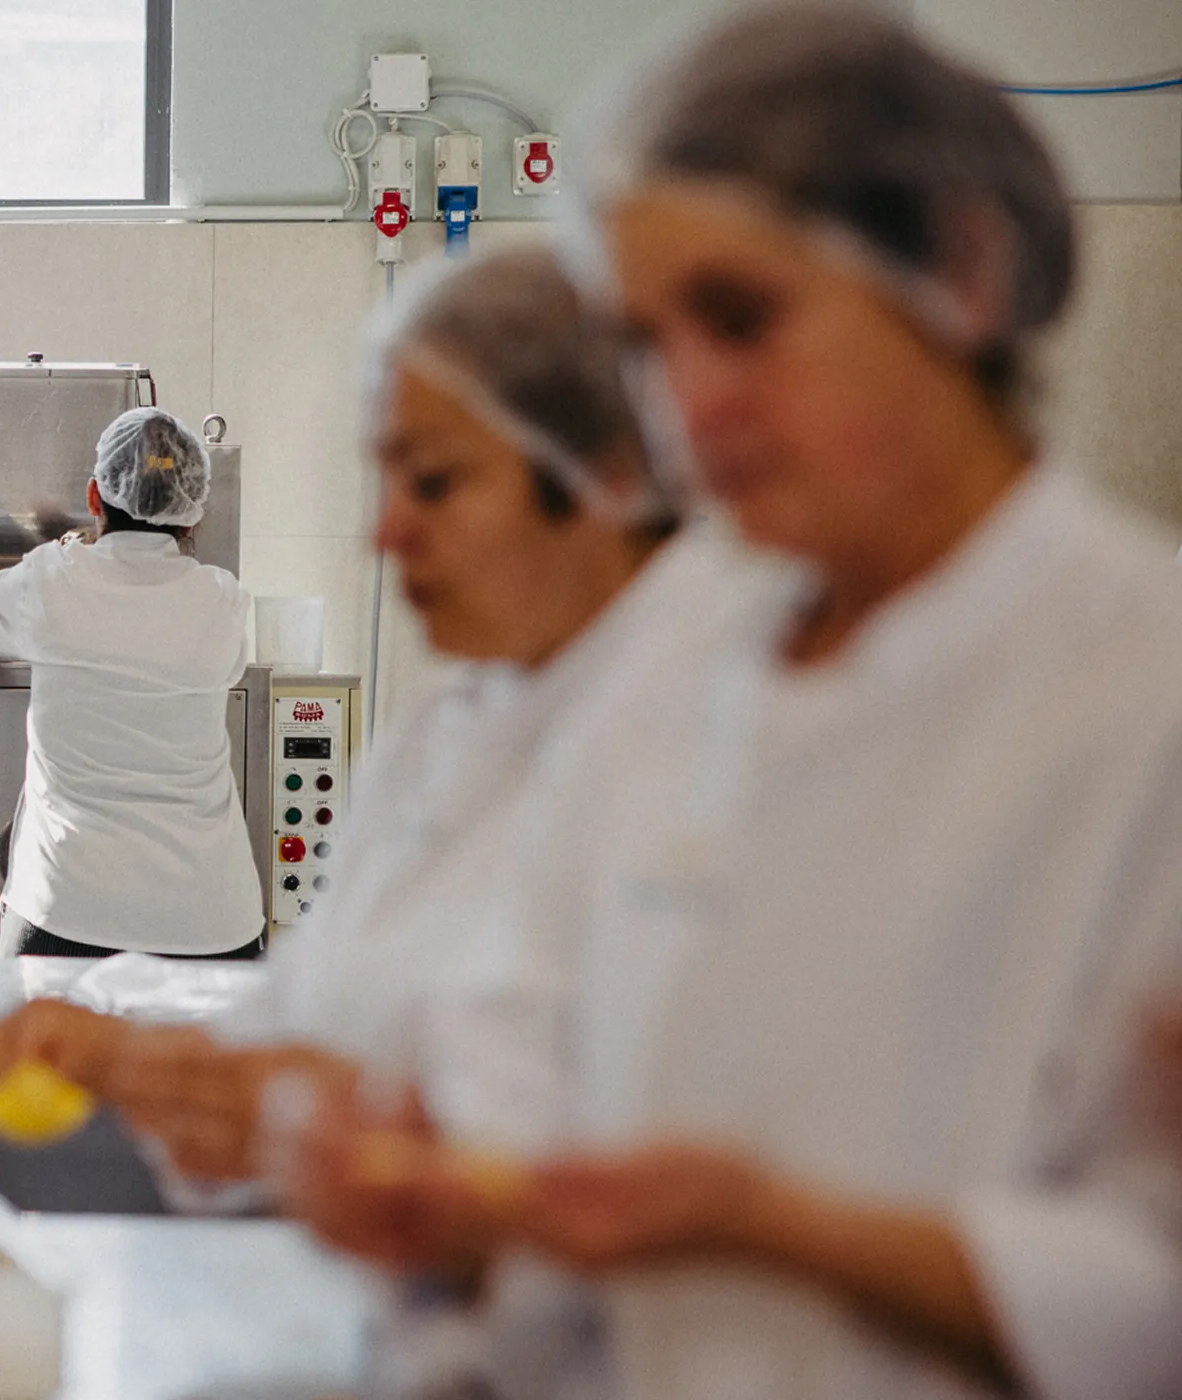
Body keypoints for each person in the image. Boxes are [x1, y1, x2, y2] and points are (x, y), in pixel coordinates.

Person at [282, 10, 1182, 1399]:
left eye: (743, 318)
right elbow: (525, 1079)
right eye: (647, 340)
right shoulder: (670, 669)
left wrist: (771, 1230)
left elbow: (1151, 1287)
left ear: (962, 269)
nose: (687, 402)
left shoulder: (1138, 688)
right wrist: (451, 1216)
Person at [0, 241, 707, 1174]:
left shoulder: (717, 761)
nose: (384, 532)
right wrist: (149, 1065)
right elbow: (326, 1061)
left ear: (602, 483)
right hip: (213, 925)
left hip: (75, 902)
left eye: (432, 479)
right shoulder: (430, 746)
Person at [0, 407, 262, 958]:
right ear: (192, 516)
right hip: (210, 924)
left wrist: (61, 550)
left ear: (95, 497)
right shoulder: (225, 602)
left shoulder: (51, 580)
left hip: (68, 915)